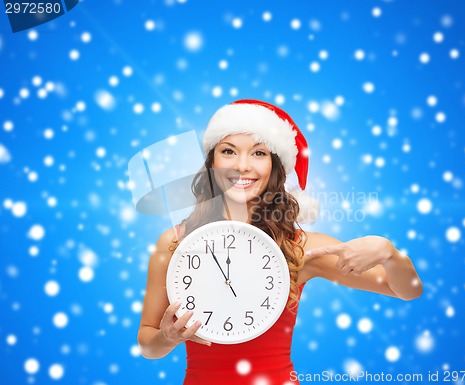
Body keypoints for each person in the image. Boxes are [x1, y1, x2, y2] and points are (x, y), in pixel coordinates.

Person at [137, 99, 423, 385]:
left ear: (275, 166)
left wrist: (389, 253)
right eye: (228, 151)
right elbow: (148, 346)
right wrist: (166, 337)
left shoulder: (299, 247)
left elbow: (407, 291)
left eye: (258, 152)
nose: (242, 166)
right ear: (212, 161)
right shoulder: (176, 243)